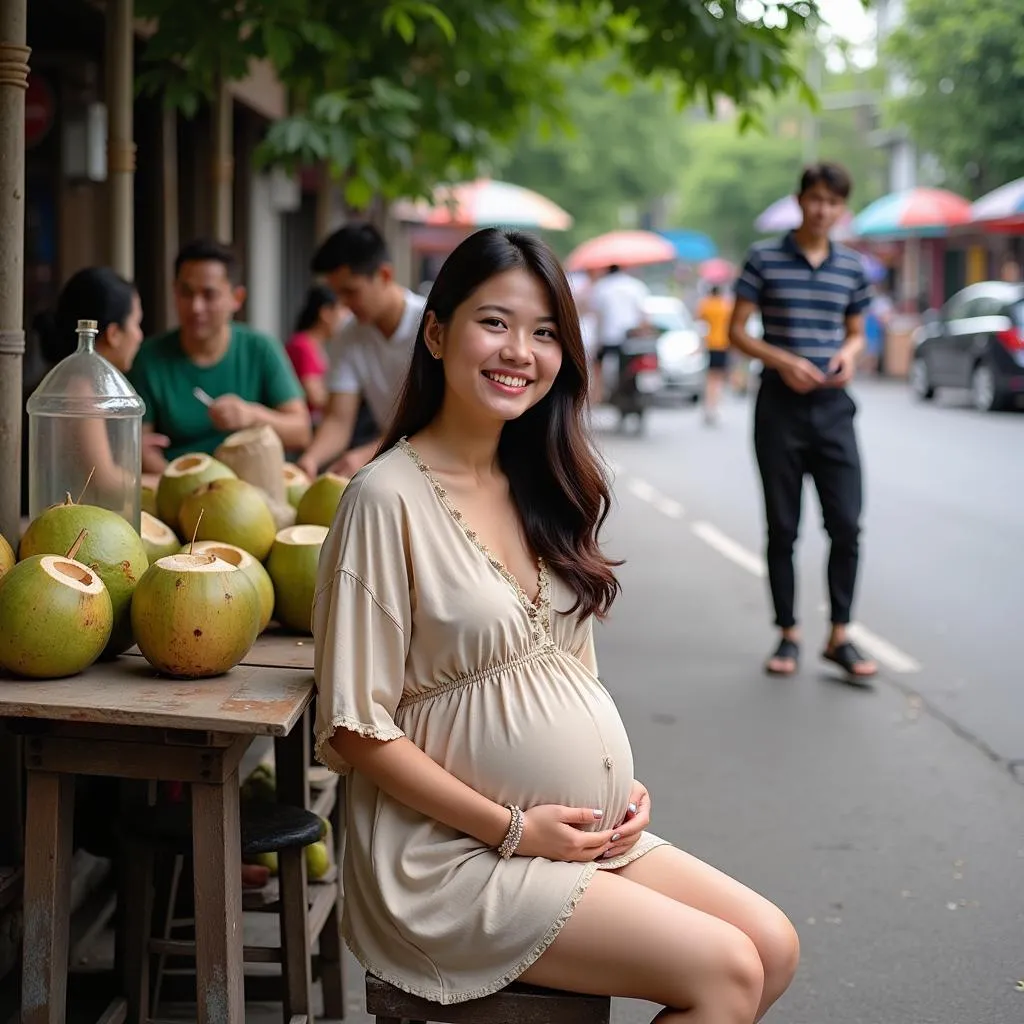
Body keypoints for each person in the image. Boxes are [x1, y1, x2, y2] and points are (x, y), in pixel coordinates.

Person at [312, 228, 799, 1022]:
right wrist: (512, 828)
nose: (520, 351)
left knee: (772, 944)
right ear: (436, 333)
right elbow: (356, 732)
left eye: (544, 332)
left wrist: (619, 785)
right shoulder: (384, 499)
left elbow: (571, 674)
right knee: (725, 974)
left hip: (573, 837)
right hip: (453, 857)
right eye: (494, 323)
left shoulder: (542, 484)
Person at [729, 162, 878, 681]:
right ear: (800, 201)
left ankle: (840, 633)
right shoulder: (764, 257)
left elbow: (857, 330)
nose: (823, 210)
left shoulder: (853, 267)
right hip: (780, 408)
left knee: (847, 525)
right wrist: (782, 361)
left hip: (835, 408)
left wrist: (850, 353)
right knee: (783, 527)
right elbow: (737, 331)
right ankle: (788, 632)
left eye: (833, 203)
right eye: (815, 199)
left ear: (842, 208)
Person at [129, 239, 311, 473]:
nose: (196, 306)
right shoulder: (148, 358)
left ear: (237, 298)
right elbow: (141, 446)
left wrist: (251, 416)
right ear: (174, 292)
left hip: (253, 490)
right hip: (174, 490)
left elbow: (301, 432)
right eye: (186, 293)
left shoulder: (261, 349)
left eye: (209, 295)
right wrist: (178, 481)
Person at [297, 223, 425, 480]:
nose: (343, 304)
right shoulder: (349, 335)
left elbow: (438, 421)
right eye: (337, 294)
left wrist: (367, 453)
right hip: (390, 463)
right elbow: (337, 420)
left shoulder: (429, 325)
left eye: (351, 292)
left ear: (385, 275)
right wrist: (309, 461)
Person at [33, 266, 170, 497]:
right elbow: (105, 481)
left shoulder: (72, 380)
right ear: (114, 334)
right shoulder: (81, 390)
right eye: (137, 323)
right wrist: (171, 482)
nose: (139, 336)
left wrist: (127, 447)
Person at [586, 264, 649, 402]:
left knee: (597, 368)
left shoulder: (601, 287)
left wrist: (597, 339)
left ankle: (597, 397)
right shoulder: (635, 286)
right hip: (629, 338)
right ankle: (628, 395)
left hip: (607, 337)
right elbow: (643, 316)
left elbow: (598, 316)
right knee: (630, 370)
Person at [287, 284, 349, 416]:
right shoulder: (302, 346)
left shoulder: (316, 345)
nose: (346, 316)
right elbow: (315, 397)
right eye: (343, 309)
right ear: (326, 313)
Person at [696, 284, 733, 424]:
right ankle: (714, 406)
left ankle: (708, 406)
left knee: (710, 378)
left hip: (710, 344)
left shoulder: (706, 305)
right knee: (717, 378)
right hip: (723, 345)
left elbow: (700, 322)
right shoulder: (726, 306)